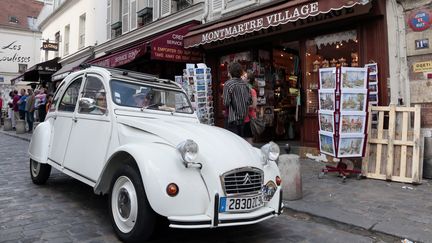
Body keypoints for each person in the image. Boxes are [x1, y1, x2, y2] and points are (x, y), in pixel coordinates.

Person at [223, 62, 252, 136]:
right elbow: (249, 101)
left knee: (232, 141)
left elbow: (226, 102)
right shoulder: (245, 84)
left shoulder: (228, 84)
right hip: (242, 118)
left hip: (231, 118)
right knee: (240, 140)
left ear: (231, 72)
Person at [242, 71, 257, 143]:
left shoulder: (251, 90)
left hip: (249, 117)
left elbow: (254, 105)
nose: (242, 77)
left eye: (244, 76)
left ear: (248, 80)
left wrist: (244, 106)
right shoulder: (242, 89)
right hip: (243, 118)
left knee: (248, 138)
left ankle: (250, 152)